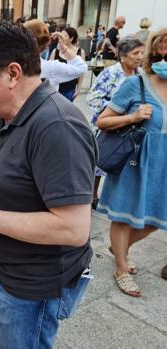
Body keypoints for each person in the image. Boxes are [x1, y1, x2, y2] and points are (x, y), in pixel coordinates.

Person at [0, 23, 96, 348]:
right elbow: (12, 178)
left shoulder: (57, 127)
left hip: (34, 287)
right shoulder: (8, 115)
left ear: (12, 73)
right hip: (11, 273)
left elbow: (72, 229)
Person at [96, 28, 167, 297]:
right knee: (124, 217)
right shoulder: (136, 84)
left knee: (157, 218)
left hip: (163, 163)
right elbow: (103, 120)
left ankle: (119, 248)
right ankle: (121, 267)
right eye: (162, 49)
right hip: (136, 159)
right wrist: (133, 117)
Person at [86, 38, 145, 209]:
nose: (140, 57)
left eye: (142, 53)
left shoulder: (141, 75)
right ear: (123, 56)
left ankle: (116, 197)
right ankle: (92, 196)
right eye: (135, 53)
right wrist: (115, 109)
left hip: (130, 128)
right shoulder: (111, 73)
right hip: (107, 125)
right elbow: (92, 97)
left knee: (122, 160)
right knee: (100, 161)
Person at [24, 19, 87, 90]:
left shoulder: (12, 62)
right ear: (46, 45)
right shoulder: (50, 68)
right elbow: (82, 68)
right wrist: (63, 48)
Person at [49, 27, 87, 101]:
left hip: (70, 89)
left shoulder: (80, 52)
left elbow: (81, 73)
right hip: (55, 89)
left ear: (71, 38)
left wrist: (78, 89)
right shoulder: (55, 51)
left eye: (65, 36)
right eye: (61, 35)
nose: (61, 38)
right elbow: (49, 71)